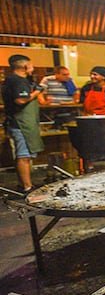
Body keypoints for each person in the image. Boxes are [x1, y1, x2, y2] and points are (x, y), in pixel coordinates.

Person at [2, 54, 45, 193]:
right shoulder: (18, 81)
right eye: (31, 65)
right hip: (20, 124)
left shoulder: (11, 80)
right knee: (24, 155)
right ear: (25, 66)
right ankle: (27, 187)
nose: (32, 68)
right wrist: (37, 92)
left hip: (17, 122)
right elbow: (20, 100)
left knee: (24, 154)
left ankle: (24, 184)